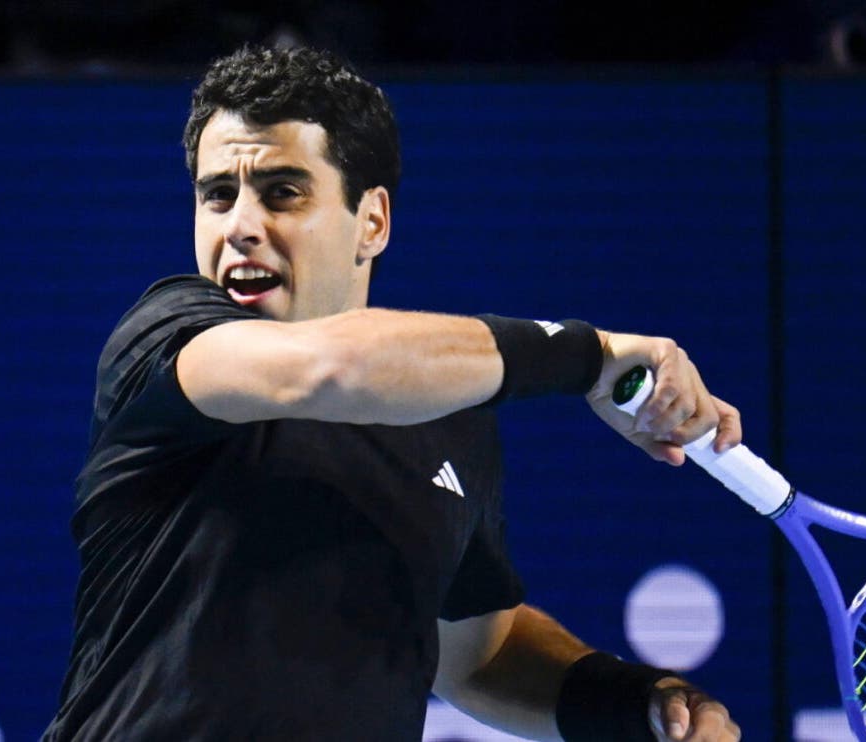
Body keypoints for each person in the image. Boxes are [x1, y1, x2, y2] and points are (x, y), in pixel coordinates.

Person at [44, 44, 743, 742]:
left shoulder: (452, 416)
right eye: (218, 195)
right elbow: (330, 365)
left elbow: (481, 655)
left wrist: (639, 702)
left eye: (283, 192)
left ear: (372, 221)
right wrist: (589, 355)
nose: (241, 227)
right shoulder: (167, 337)